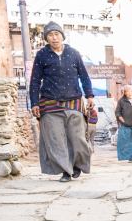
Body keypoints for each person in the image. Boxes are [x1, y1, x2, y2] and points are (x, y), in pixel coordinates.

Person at [29, 22, 94, 182]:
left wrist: (90, 95)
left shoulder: (74, 53)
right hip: (49, 103)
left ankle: (77, 164)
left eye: (56, 34)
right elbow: (35, 80)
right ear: (46, 38)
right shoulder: (42, 55)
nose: (54, 37)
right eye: (50, 35)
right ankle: (66, 170)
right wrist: (34, 103)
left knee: (77, 137)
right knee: (57, 140)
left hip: (74, 101)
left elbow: (84, 76)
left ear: (62, 36)